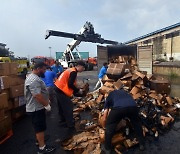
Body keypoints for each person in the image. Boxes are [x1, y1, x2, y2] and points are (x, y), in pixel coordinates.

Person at [24, 62, 56, 154]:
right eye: (44, 69)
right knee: (39, 127)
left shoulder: (35, 77)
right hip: (35, 108)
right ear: (38, 69)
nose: (45, 71)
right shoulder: (33, 80)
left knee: (39, 127)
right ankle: (42, 148)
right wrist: (46, 105)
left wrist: (46, 100)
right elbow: (37, 95)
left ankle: (39, 140)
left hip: (37, 107)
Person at [101, 87, 144, 153]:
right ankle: (141, 144)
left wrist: (105, 125)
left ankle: (107, 148)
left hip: (119, 109)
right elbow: (127, 106)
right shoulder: (125, 93)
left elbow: (105, 114)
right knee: (137, 124)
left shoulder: (110, 95)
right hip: (133, 107)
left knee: (110, 125)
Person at [54, 60, 85, 133]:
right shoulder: (73, 72)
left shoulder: (70, 70)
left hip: (57, 87)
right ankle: (70, 125)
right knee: (68, 106)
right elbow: (70, 84)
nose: (83, 70)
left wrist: (75, 91)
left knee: (61, 106)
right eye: (83, 68)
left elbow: (69, 82)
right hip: (61, 90)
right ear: (79, 66)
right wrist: (78, 90)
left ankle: (62, 121)